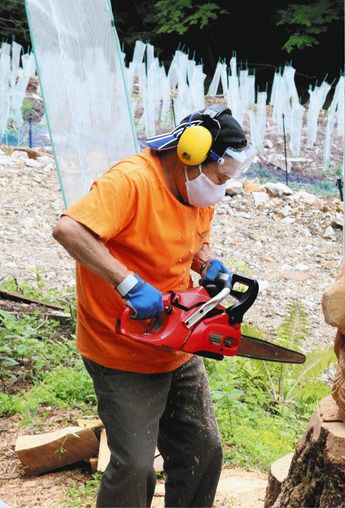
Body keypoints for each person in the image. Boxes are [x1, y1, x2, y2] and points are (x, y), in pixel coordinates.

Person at [52, 104, 256, 507]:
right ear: (190, 157)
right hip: (119, 346)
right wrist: (127, 283)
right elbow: (68, 229)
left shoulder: (198, 191)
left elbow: (196, 237)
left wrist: (206, 263)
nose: (220, 188)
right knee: (134, 466)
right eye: (219, 177)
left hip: (176, 339)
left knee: (203, 449)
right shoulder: (131, 182)